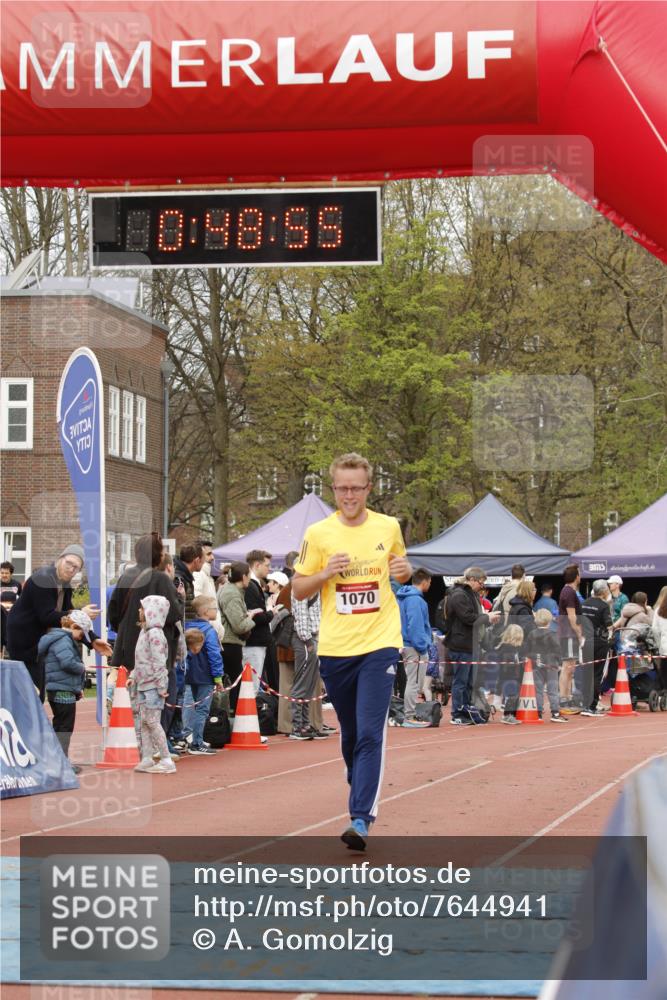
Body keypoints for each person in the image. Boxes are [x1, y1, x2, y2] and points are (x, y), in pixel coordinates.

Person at [292, 452, 412, 851]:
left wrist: (403, 573)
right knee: (351, 736)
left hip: (380, 643)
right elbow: (298, 588)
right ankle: (360, 778)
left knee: (369, 733)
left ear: (368, 488)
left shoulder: (388, 526)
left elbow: (403, 567)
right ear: (333, 489)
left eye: (356, 488)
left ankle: (360, 818)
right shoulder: (319, 534)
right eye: (342, 488)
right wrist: (326, 573)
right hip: (336, 648)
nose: (348, 495)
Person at [108, 533, 184, 751]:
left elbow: (113, 612)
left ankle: (136, 742)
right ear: (157, 554)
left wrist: (122, 632)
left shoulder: (125, 577)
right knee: (161, 697)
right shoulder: (160, 579)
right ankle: (158, 747)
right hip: (155, 650)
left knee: (132, 699)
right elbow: (173, 614)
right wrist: (179, 598)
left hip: (127, 645)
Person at [6, 544, 108, 701]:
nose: (71, 569)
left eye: (76, 568)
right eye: (69, 563)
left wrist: (92, 640)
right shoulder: (43, 578)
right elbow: (47, 616)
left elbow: (70, 620)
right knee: (30, 696)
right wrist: (79, 613)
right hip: (24, 641)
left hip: (39, 645)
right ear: (60, 559)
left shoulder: (65, 586)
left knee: (36, 695)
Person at [40, 608, 97, 772]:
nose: (81, 637)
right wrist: (82, 667)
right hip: (61, 689)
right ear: (74, 626)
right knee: (64, 727)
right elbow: (67, 663)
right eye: (81, 632)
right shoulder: (63, 640)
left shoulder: (58, 638)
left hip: (59, 687)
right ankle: (61, 762)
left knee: (60, 726)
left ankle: (57, 760)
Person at [445, 567, 500, 726]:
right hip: (461, 644)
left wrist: (486, 618)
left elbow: (472, 618)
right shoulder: (459, 595)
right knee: (461, 682)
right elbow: (468, 618)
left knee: (469, 682)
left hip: (469, 643)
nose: (482, 587)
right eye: (481, 583)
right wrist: (487, 617)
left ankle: (466, 711)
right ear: (472, 580)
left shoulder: (469, 594)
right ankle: (457, 713)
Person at [129, 595, 175, 774]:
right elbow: (141, 659)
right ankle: (147, 758)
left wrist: (161, 685)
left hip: (153, 685)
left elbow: (158, 661)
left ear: (151, 611)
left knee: (153, 721)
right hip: (142, 683)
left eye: (142, 608)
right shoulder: (145, 632)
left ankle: (166, 759)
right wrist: (134, 675)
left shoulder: (155, 633)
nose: (139, 611)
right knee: (144, 722)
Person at [183, 595, 223, 755]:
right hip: (205, 675)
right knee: (202, 709)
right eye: (214, 609)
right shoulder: (209, 630)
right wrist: (218, 677)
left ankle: (185, 736)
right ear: (206, 612)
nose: (216, 611)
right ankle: (197, 742)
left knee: (187, 705)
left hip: (187, 673)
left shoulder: (187, 627)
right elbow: (214, 654)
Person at [218, 561, 259, 712]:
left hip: (230, 642)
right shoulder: (232, 594)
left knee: (234, 683)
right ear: (243, 577)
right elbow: (239, 625)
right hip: (230, 643)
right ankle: (235, 718)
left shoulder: (232, 591)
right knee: (236, 684)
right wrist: (251, 617)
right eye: (249, 575)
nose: (250, 578)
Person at [396, 569, 433, 725]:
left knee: (412, 681)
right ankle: (409, 716)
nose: (430, 585)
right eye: (430, 582)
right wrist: (422, 646)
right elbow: (415, 625)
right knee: (414, 683)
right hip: (414, 646)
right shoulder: (415, 600)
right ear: (424, 581)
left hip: (406, 643)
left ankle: (409, 714)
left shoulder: (403, 598)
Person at [289, 590, 328, 740]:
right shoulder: (302, 588)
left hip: (313, 638)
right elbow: (301, 616)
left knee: (309, 683)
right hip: (306, 639)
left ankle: (305, 723)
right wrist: (307, 640)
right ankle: (297, 725)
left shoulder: (314, 587)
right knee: (302, 682)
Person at [525, 609, 566, 722]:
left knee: (538, 690)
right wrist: (560, 662)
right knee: (552, 690)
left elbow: (527, 650)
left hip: (536, 664)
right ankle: (555, 713)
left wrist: (533, 658)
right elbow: (557, 649)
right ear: (549, 621)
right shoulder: (552, 634)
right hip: (551, 665)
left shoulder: (531, 634)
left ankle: (538, 712)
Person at [244, 549, 275, 693]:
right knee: (251, 687)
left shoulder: (253, 584)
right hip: (253, 642)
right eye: (267, 565)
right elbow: (256, 615)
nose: (269, 568)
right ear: (257, 565)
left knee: (253, 686)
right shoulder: (250, 585)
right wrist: (271, 612)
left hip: (256, 641)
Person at [580, 580, 613, 716]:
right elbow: (610, 626)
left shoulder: (584, 603)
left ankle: (585, 705)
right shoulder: (604, 606)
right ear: (604, 591)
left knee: (587, 673)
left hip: (586, 641)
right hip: (599, 641)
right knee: (597, 674)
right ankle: (592, 706)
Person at [558, 564, 583, 713]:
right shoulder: (569, 593)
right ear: (576, 577)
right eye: (579, 574)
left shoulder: (568, 591)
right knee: (567, 667)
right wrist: (579, 634)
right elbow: (572, 616)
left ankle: (566, 698)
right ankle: (563, 700)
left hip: (568, 634)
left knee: (570, 667)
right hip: (568, 634)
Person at [494, 623, 525, 725]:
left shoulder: (514, 648)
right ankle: (507, 715)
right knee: (512, 696)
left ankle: (511, 714)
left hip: (513, 676)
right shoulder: (507, 648)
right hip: (509, 676)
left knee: (514, 696)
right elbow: (507, 663)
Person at [174, 543, 204, 622]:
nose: (203, 564)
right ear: (197, 560)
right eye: (203, 561)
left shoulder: (184, 577)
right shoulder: (179, 580)